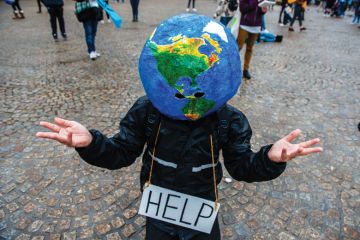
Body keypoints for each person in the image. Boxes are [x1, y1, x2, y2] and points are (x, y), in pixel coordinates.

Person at [36, 14, 322, 239]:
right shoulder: (147, 111)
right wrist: (91, 143)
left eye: (197, 81)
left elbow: (242, 166)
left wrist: (270, 158)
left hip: (202, 209)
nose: (190, 92)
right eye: (182, 79)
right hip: (159, 211)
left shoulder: (227, 119)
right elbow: (121, 152)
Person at [236, 0, 267, 79]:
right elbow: (242, 9)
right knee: (238, 47)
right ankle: (231, 67)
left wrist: (263, 11)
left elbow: (259, 11)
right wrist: (256, 3)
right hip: (245, 25)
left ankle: (246, 70)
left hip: (256, 26)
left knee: (250, 48)